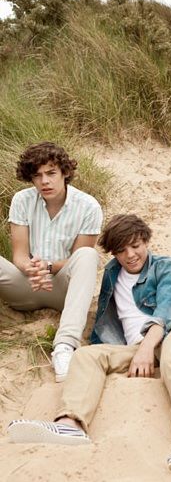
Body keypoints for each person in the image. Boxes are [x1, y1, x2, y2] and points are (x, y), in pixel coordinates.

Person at [7, 214, 171, 472]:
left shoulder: (167, 267)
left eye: (136, 246)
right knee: (86, 356)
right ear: (113, 253)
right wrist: (131, 350)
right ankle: (70, 424)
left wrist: (147, 349)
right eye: (121, 250)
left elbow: (168, 314)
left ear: (146, 241)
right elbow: (106, 321)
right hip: (138, 349)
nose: (130, 255)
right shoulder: (112, 273)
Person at [0, 142, 102, 381]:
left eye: (51, 173)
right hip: (27, 285)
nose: (44, 181)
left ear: (65, 172)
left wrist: (47, 267)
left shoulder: (88, 206)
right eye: (37, 176)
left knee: (88, 256)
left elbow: (77, 260)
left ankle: (65, 346)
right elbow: (19, 255)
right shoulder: (22, 200)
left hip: (64, 293)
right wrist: (32, 268)